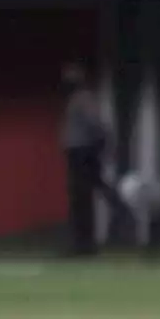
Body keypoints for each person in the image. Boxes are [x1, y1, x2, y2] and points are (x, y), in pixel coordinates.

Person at [60, 62, 125, 256]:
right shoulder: (78, 99)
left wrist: (101, 148)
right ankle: (83, 243)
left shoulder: (83, 99)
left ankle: (84, 244)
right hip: (80, 153)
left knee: (82, 199)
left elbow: (96, 125)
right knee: (84, 197)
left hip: (83, 153)